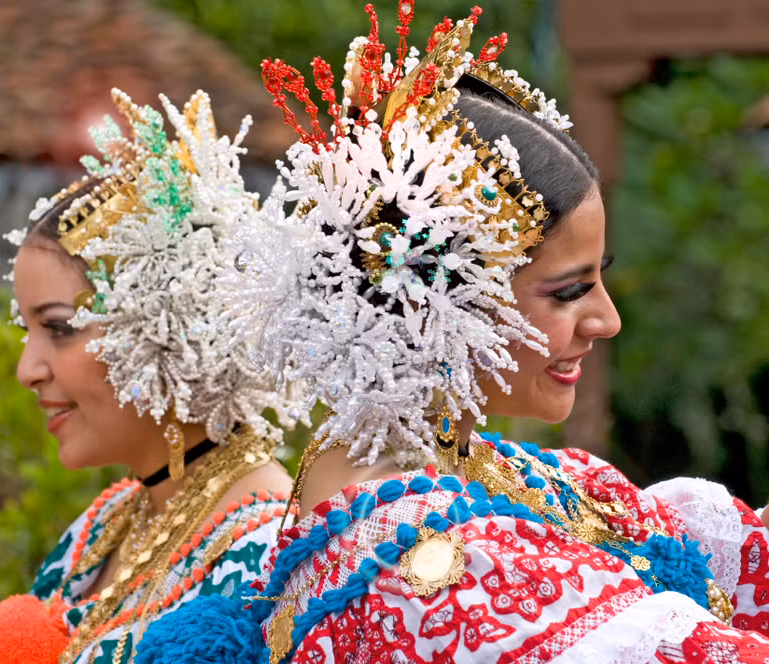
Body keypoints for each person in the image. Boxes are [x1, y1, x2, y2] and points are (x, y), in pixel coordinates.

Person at [134, 5, 769, 663]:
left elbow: (716, 545)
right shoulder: (442, 564)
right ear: (434, 303)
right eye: (569, 291)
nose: (607, 320)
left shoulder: (464, 473)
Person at [0, 89, 300, 664]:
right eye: (27, 331)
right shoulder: (103, 526)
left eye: (60, 328)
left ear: (166, 323)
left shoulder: (272, 557)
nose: (26, 370)